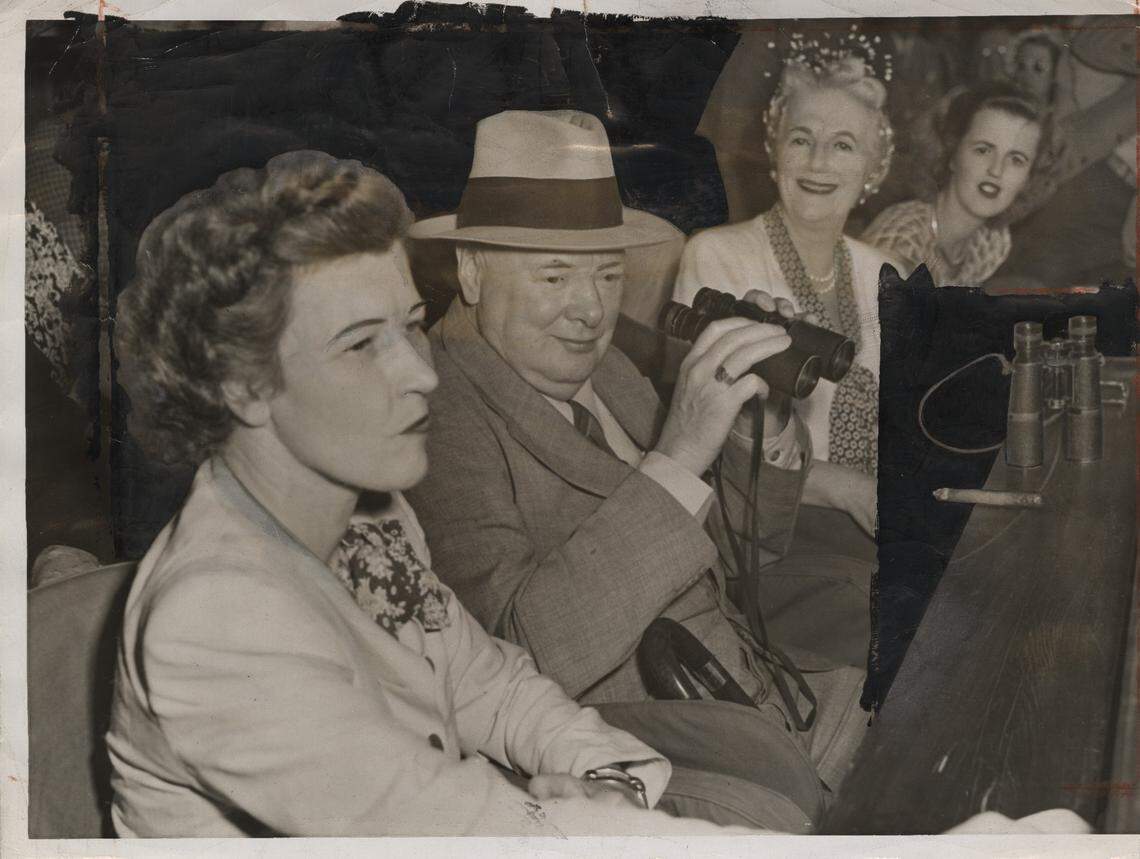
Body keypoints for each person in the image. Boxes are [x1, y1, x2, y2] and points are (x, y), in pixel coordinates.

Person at [103, 150, 755, 837]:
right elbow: (440, 822)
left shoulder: (368, 513)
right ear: (242, 385)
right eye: (360, 345)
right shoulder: (215, 615)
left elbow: (489, 685)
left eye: (412, 325)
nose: (421, 373)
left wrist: (611, 777)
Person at [401, 107, 872, 820]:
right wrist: (678, 454)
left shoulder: (608, 369)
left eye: (607, 275)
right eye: (554, 277)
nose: (590, 310)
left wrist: (762, 420)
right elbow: (515, 652)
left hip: (751, 685)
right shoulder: (439, 414)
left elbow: (743, 551)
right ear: (471, 270)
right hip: (651, 744)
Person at [673, 56, 895, 648]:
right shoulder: (716, 257)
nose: (819, 162)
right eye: (802, 138)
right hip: (764, 536)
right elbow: (706, 444)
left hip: (871, 517)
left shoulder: (885, 272)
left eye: (843, 145)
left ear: (873, 167)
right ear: (774, 151)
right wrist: (847, 490)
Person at [861, 81, 1046, 288]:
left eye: (1016, 159)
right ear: (951, 153)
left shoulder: (989, 242)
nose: (996, 170)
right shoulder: (901, 238)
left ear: (1028, 177)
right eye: (983, 150)